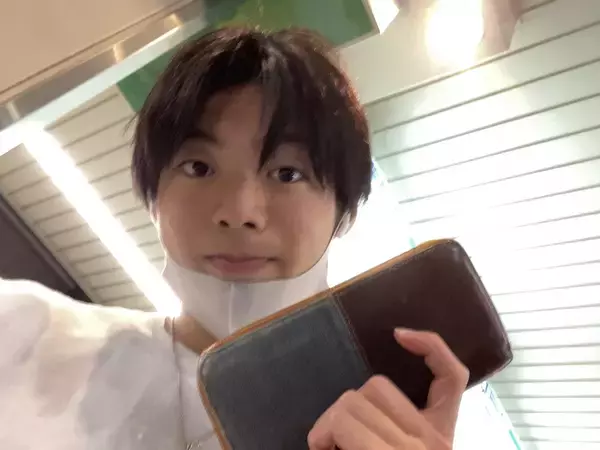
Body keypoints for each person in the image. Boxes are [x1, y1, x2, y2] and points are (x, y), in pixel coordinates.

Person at [0, 27, 468, 449]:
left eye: (288, 173)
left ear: (344, 213)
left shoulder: (371, 426)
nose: (239, 213)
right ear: (152, 196)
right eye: (198, 167)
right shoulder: (23, 330)